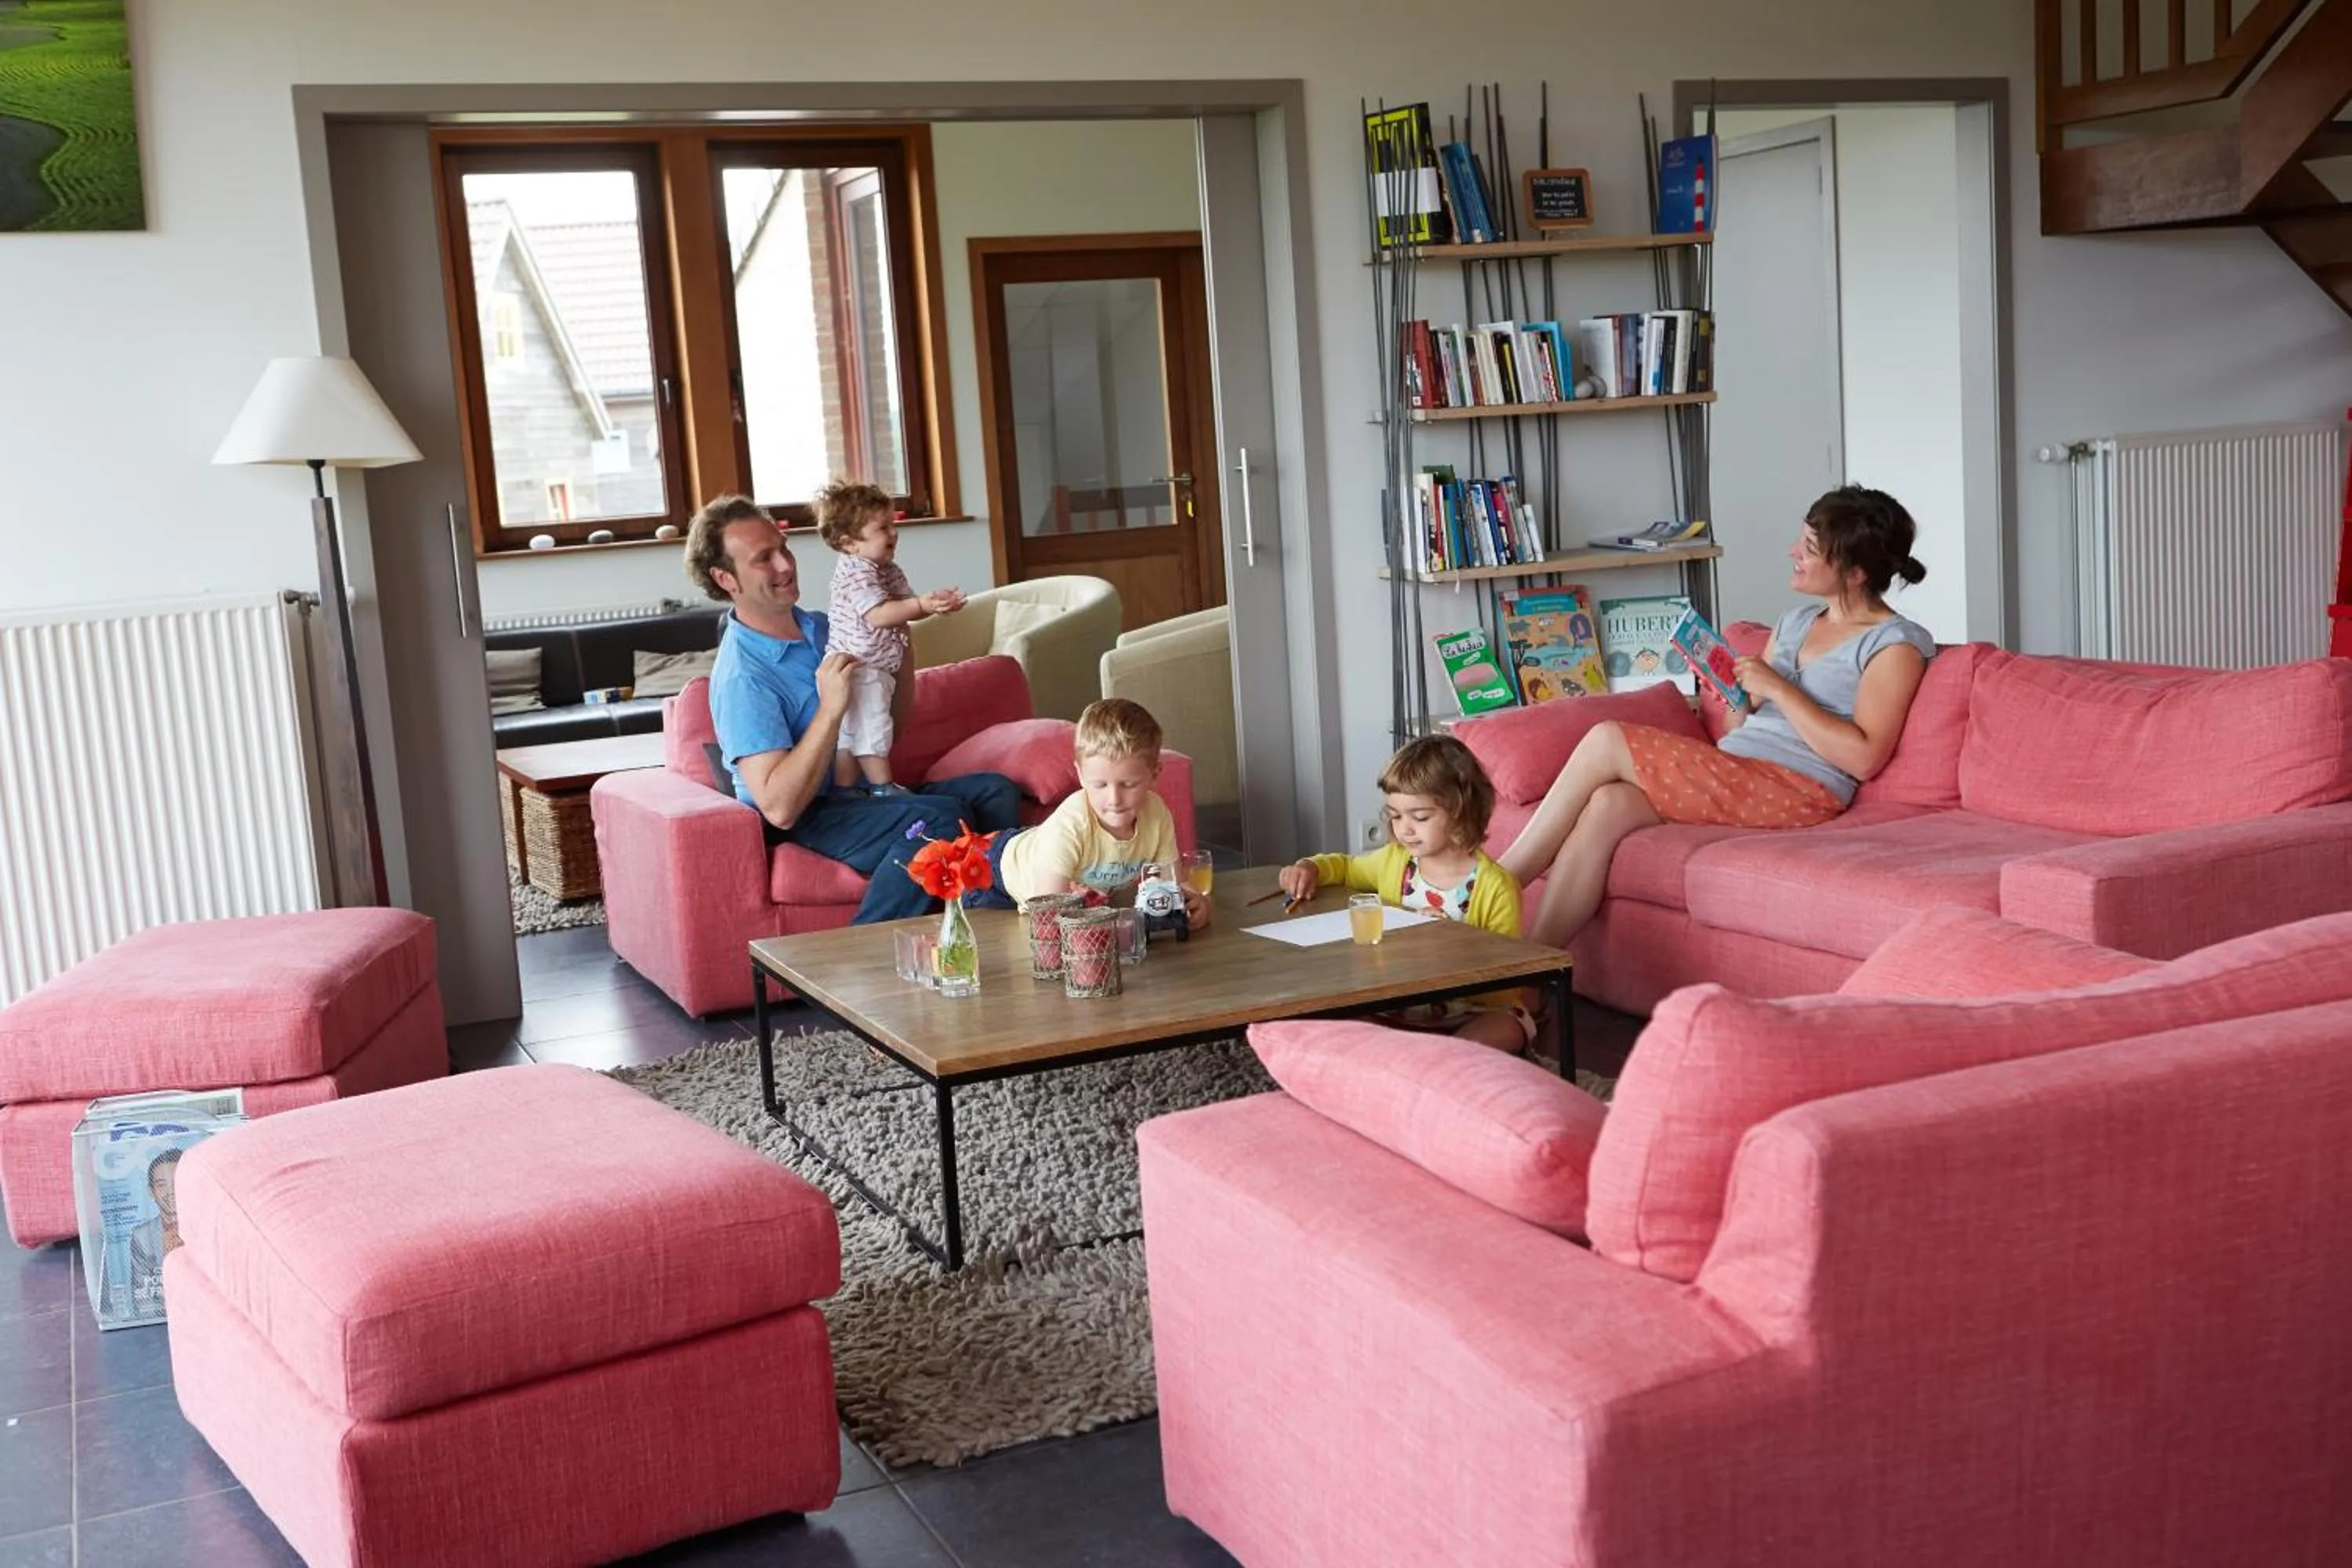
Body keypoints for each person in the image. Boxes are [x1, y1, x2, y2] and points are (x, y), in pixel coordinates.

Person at [1497, 485, 1936, 949]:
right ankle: (1532, 971)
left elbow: (1865, 758)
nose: (1793, 552)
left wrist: (1782, 690)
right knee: (1609, 804)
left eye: (1809, 548)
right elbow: (1738, 731)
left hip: (1800, 789)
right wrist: (1735, 699)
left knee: (1608, 738)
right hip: (1741, 769)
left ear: (1855, 573)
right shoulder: (1795, 622)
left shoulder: (1894, 644)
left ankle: (1497, 883)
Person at [686, 494, 1021, 924]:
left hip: (860, 793)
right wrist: (830, 710)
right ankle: (861, 958)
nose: (786, 566)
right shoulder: (742, 676)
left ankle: (988, 928)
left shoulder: (826, 627)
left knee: (995, 790)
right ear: (725, 578)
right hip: (810, 814)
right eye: (763, 559)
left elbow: (887, 732)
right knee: (937, 820)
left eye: (784, 548)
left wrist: (901, 652)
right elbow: (779, 807)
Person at [1276, 735, 1532, 1053]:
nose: (1405, 829)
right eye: (1396, 816)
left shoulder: (1496, 887)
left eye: (1420, 817)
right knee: (1331, 1023)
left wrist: (1453, 949)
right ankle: (1418, 1057)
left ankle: (1439, 1061)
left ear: (1462, 810)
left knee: (1503, 1028)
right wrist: (1308, 867)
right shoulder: (1394, 862)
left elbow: (1503, 989)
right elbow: (1344, 867)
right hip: (1395, 1010)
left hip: (1468, 1013)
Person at [975, 698, 1210, 927]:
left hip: (1049, 855)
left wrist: (1197, 903)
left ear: (1154, 775)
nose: (1114, 800)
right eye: (1100, 785)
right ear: (1080, 775)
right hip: (1000, 870)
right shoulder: (1070, 825)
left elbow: (1175, 883)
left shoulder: (1157, 816)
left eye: (1128, 784)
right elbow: (1048, 914)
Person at [815, 479, 966, 795]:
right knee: (871, 726)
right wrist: (921, 604)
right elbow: (879, 614)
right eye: (882, 527)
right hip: (860, 666)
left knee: (852, 732)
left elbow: (904, 607)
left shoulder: (885, 568)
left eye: (893, 523)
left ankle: (846, 791)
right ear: (849, 542)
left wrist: (933, 605)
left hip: (867, 666)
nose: (894, 532)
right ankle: (882, 787)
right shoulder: (856, 570)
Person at [126, 1145, 184, 1287]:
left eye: (177, 1182)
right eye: (162, 1185)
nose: (171, 1191)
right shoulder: (141, 1236)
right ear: (151, 1192)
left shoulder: (211, 1225)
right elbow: (142, 1290)